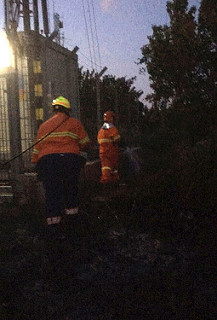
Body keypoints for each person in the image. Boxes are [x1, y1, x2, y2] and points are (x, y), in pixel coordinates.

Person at [31, 96, 90, 238]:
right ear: (67, 110)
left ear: (54, 110)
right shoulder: (74, 123)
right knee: (71, 190)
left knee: (52, 193)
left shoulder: (44, 126)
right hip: (70, 161)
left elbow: (36, 150)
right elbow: (85, 142)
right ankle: (72, 223)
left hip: (48, 162)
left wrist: (36, 163)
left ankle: (53, 226)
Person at [97, 110, 120, 187]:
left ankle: (106, 183)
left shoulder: (101, 130)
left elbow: (99, 141)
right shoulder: (112, 129)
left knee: (105, 168)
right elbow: (116, 139)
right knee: (113, 168)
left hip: (103, 152)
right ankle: (109, 183)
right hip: (111, 151)